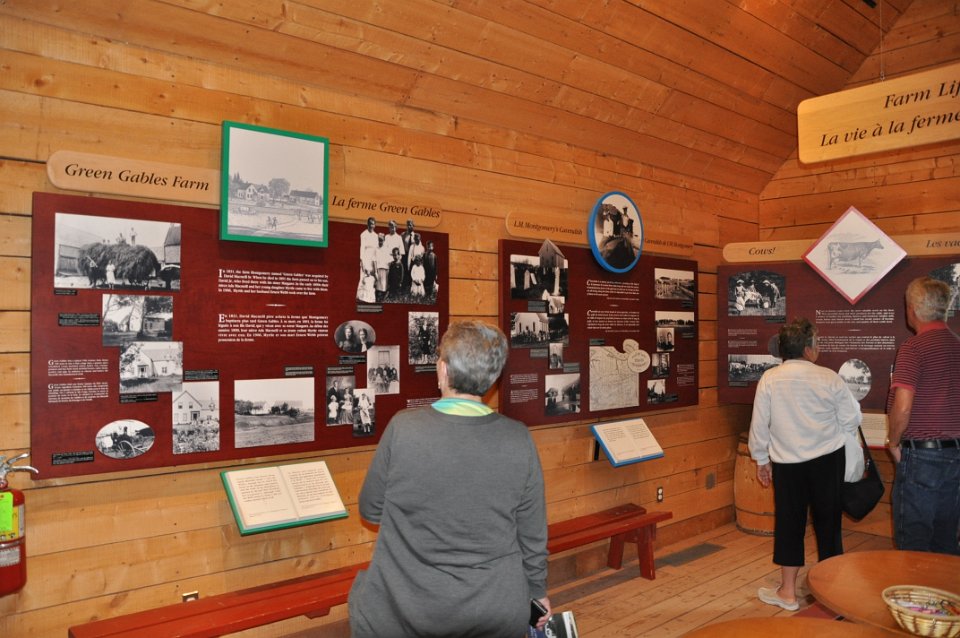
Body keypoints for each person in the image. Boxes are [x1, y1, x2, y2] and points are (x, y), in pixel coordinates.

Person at [348, 321, 550, 637]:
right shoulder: (518, 438)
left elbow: (370, 510)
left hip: (406, 606)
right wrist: (537, 591)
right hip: (494, 606)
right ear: (494, 377)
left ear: (442, 370)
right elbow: (532, 532)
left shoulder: (404, 428)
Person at [748, 318, 861, 610]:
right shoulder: (829, 378)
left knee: (789, 523)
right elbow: (852, 419)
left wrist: (761, 459)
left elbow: (759, 425)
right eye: (816, 342)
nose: (818, 347)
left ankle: (788, 592)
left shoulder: (770, 379)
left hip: (787, 464)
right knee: (829, 524)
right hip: (828, 460)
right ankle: (831, 593)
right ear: (808, 349)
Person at [885, 276, 960, 555]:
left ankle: (914, 585)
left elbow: (903, 406)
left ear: (913, 309)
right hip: (956, 456)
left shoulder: (914, 348)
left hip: (922, 457)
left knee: (913, 540)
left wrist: (893, 442)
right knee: (947, 539)